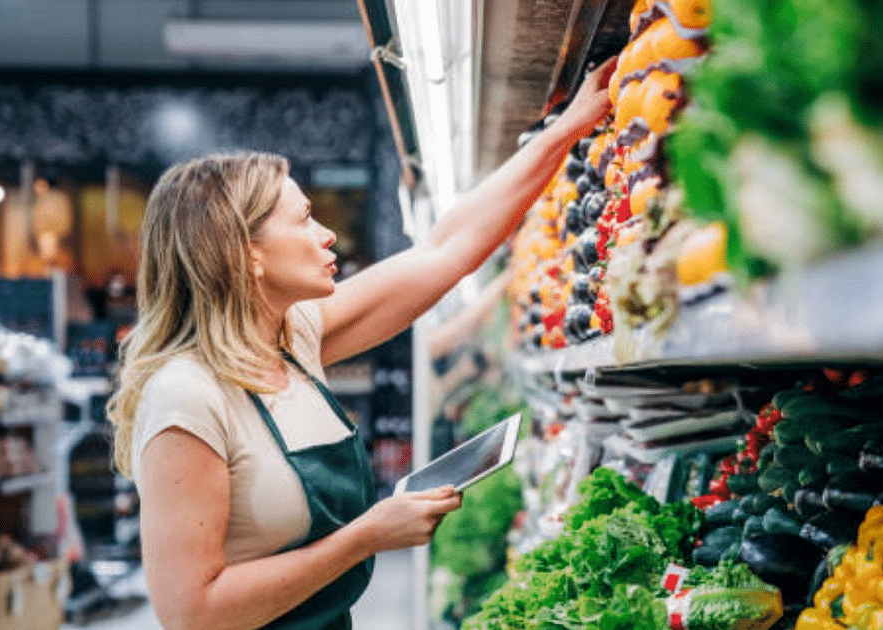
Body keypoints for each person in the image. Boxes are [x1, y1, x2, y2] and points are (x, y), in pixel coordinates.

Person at [105, 58, 616, 630]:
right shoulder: (187, 398)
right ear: (246, 253)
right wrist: (365, 537)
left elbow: (442, 250)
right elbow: (191, 612)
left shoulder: (292, 337)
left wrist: (569, 128)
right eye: (302, 220)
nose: (326, 235)